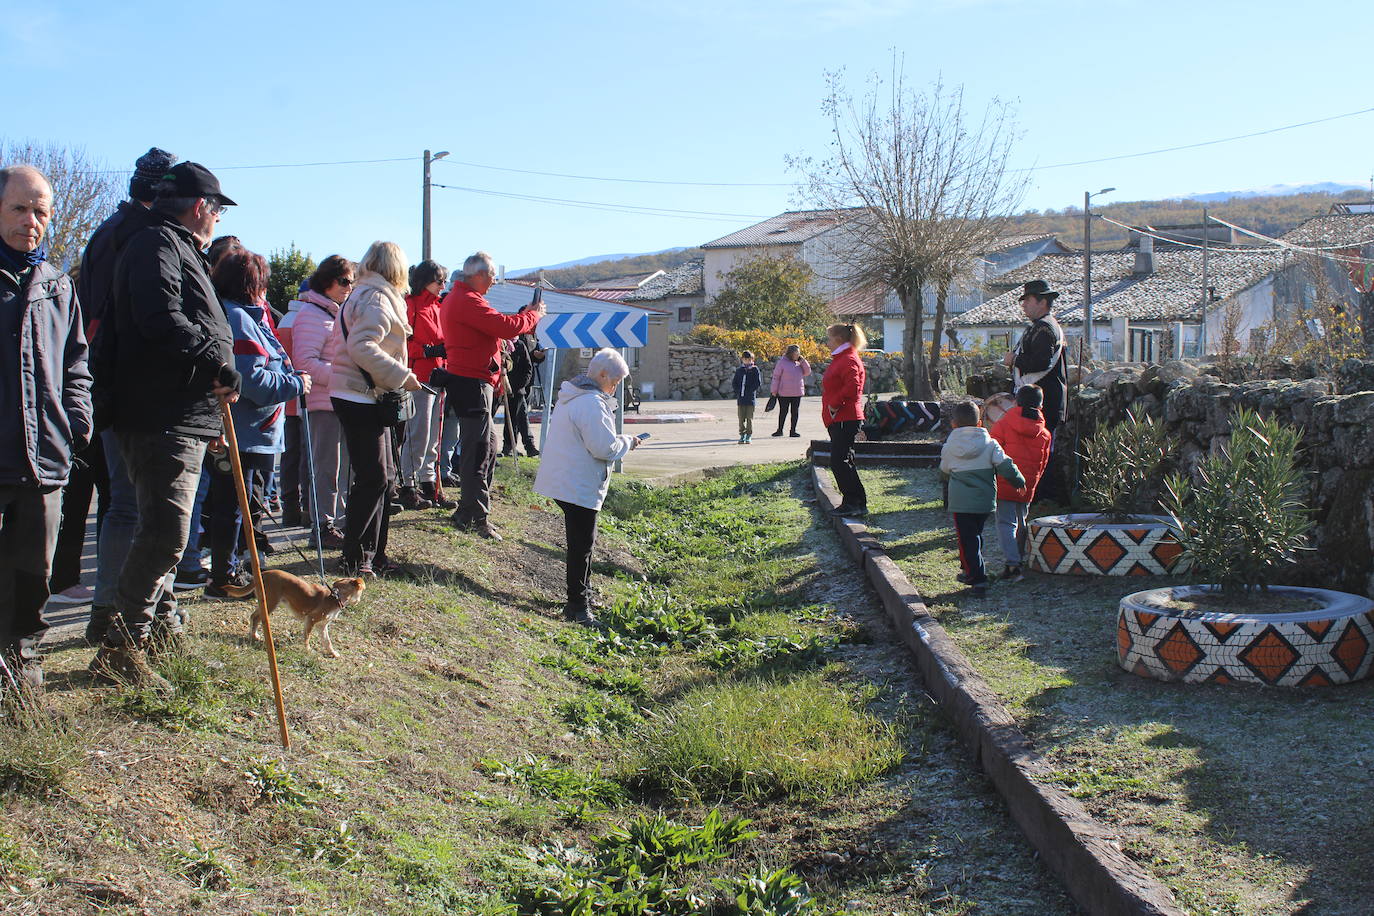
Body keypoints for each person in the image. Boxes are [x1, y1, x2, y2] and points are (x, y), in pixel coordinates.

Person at [91, 161, 240, 689]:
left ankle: (157, 633)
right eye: (218, 209)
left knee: (165, 530)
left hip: (182, 413)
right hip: (160, 414)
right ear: (202, 206)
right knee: (164, 534)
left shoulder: (175, 247)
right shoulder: (156, 245)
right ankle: (120, 648)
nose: (218, 219)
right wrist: (215, 363)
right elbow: (162, 319)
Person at [79, 147, 177, 641]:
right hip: (124, 383)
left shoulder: (112, 230)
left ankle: (138, 609)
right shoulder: (138, 236)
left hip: (109, 378)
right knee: (132, 506)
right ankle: (116, 614)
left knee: (129, 504)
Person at [0, 166, 93, 689]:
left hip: (45, 462)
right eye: (19, 208)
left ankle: (22, 674)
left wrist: (77, 421)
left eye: (41, 212)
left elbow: (77, 362)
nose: (30, 222)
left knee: (34, 579)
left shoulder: (57, 285)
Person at [204, 251, 307, 599]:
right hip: (243, 433)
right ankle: (223, 578)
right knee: (234, 509)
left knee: (247, 506)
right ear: (253, 284)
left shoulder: (253, 316)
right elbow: (255, 382)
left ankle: (235, 569)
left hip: (260, 434)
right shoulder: (236, 318)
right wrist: (296, 384)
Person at [329, 241, 421, 577]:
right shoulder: (377, 297)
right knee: (374, 478)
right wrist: (402, 376)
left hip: (363, 393)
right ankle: (356, 558)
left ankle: (372, 554)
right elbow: (362, 346)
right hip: (360, 395)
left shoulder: (367, 293)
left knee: (383, 479)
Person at [533, 349, 641, 627]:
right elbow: (603, 447)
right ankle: (578, 607)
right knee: (582, 546)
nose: (615, 387)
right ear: (603, 375)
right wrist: (627, 442)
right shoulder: (591, 402)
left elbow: (593, 437)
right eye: (615, 382)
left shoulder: (574, 396)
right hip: (578, 483)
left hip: (566, 478)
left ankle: (580, 597)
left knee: (580, 544)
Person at [440, 252, 544, 540]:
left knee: (486, 445)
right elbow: (504, 326)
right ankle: (473, 514)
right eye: (492, 276)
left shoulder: (460, 298)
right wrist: (533, 314)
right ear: (479, 275)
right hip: (472, 382)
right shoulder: (467, 300)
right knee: (478, 451)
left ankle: (471, 508)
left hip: (474, 380)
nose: (494, 282)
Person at [291, 255, 353, 548]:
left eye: (351, 282)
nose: (349, 287)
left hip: (340, 399)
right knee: (326, 468)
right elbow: (304, 362)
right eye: (344, 281)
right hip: (323, 402)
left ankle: (337, 523)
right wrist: (346, 375)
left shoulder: (333, 313)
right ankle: (322, 526)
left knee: (340, 469)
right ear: (327, 282)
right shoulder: (312, 314)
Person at [940, 401, 1025, 598]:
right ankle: (971, 570)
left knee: (968, 539)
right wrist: (1018, 481)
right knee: (975, 536)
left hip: (961, 502)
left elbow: (944, 470)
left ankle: (977, 579)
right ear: (979, 423)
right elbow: (1006, 466)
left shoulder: (950, 446)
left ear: (953, 424)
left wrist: (944, 479)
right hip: (985, 501)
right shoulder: (990, 444)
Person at [399, 259, 450, 510]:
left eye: (444, 280)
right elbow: (401, 344)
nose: (443, 285)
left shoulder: (438, 307)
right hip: (418, 377)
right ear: (425, 281)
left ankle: (429, 482)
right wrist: (429, 350)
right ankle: (408, 485)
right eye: (438, 280)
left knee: (433, 435)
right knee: (418, 432)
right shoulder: (410, 306)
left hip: (438, 374)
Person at [989, 385, 1052, 583]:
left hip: (1004, 480)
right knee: (1021, 521)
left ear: (1016, 401)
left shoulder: (1003, 424)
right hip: (1028, 483)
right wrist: (1034, 481)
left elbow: (993, 454)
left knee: (1006, 523)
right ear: (1041, 405)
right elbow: (1043, 463)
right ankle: (1018, 560)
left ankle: (1012, 564)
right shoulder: (1045, 434)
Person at [1005, 280, 1067, 432]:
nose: (1024, 305)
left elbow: (1042, 362)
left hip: (1044, 402)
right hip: (1041, 401)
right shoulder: (1042, 326)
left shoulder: (1045, 328)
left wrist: (1014, 359)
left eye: (1028, 300)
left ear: (1042, 302)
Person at [821, 323, 868, 517]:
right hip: (840, 417)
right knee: (843, 460)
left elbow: (853, 387)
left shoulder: (848, 358)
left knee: (839, 461)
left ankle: (854, 502)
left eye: (829, 339)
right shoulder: (843, 357)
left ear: (838, 339)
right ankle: (854, 502)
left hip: (844, 417)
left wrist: (834, 405)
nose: (827, 343)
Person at [501, 306, 545, 457]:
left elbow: (533, 356)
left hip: (527, 381)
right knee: (520, 414)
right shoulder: (518, 336)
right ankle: (527, 445)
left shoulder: (533, 334)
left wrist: (540, 355)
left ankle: (511, 446)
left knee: (518, 414)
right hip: (515, 383)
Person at [769, 344, 811, 438]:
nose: (798, 355)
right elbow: (776, 377)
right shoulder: (782, 362)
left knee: (795, 412)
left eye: (799, 353)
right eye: (796, 353)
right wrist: (774, 390)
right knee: (783, 412)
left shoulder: (799, 363)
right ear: (790, 353)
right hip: (784, 393)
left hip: (797, 393)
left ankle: (793, 431)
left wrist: (803, 361)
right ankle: (779, 430)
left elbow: (807, 372)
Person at [732, 350, 761, 444]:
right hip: (741, 399)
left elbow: (757, 383)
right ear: (742, 360)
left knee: (749, 418)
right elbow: (734, 382)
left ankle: (749, 435)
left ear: (752, 359)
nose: (747, 361)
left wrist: (750, 391)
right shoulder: (739, 370)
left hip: (750, 399)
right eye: (745, 359)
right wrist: (738, 391)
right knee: (741, 418)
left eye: (749, 359)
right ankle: (742, 435)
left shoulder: (754, 369)